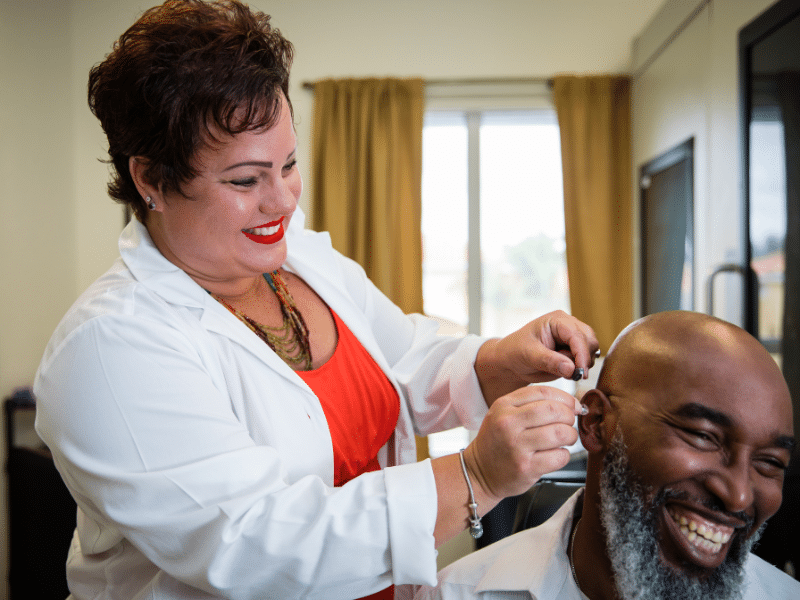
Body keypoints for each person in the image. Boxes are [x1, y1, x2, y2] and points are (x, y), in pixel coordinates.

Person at [32, 2, 600, 599]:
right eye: (245, 180)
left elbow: (400, 359)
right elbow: (258, 548)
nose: (281, 201)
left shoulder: (296, 256)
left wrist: (498, 362)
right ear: (150, 179)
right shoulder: (109, 348)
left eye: (290, 164)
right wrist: (474, 476)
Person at [414, 310, 800, 600]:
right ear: (596, 422)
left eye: (770, 463)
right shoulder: (460, 594)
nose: (739, 496)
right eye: (702, 436)